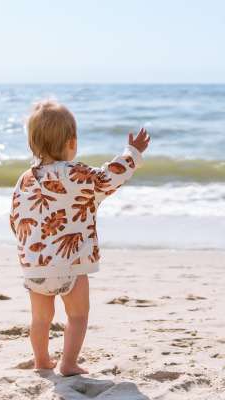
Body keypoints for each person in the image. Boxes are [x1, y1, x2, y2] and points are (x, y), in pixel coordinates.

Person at [9, 100, 150, 376]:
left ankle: (41, 361)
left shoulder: (25, 179)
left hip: (35, 265)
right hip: (69, 264)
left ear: (32, 144)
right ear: (72, 143)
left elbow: (15, 217)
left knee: (40, 318)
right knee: (77, 316)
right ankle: (69, 363)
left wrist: (28, 250)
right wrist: (132, 152)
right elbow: (109, 178)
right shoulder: (76, 173)